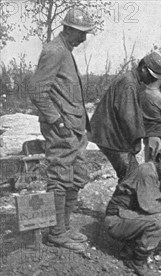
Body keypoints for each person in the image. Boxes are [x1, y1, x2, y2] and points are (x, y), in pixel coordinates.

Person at [29, 8, 94, 252]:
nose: (84, 39)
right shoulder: (55, 51)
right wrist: (57, 121)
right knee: (59, 177)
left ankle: (64, 227)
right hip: (62, 129)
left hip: (73, 129)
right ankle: (56, 233)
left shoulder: (64, 50)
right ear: (68, 29)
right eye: (81, 33)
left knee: (76, 176)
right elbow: (36, 91)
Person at [105, 142, 161, 276]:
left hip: (126, 216)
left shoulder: (155, 173)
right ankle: (138, 263)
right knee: (159, 222)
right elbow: (148, 206)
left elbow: (160, 200)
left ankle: (129, 251)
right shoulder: (147, 172)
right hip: (115, 220)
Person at [90, 52, 161, 181]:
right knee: (131, 177)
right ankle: (123, 200)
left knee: (130, 176)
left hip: (110, 136)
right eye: (151, 76)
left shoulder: (132, 81)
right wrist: (136, 143)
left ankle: (124, 198)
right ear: (143, 69)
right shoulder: (129, 84)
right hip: (111, 139)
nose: (152, 80)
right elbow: (128, 117)